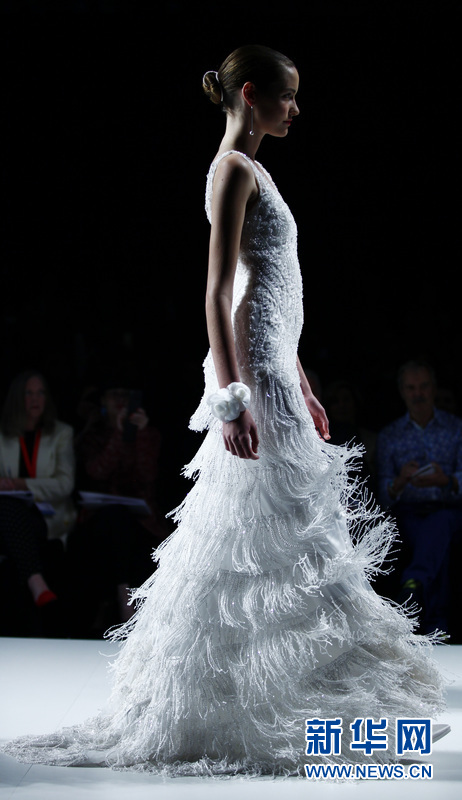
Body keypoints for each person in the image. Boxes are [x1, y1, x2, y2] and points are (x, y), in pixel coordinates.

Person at [3, 46, 448, 775]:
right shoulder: (233, 169)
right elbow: (219, 292)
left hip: (275, 366)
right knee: (264, 522)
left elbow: (270, 289)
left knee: (289, 526)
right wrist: (232, 399)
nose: (295, 109)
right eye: (287, 95)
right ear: (250, 94)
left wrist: (301, 379)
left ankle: (299, 677)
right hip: (253, 375)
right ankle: (257, 689)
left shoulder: (253, 169)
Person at [67, 381, 167, 634]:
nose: (121, 401)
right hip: (101, 519)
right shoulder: (93, 436)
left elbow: (147, 475)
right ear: (103, 400)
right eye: (114, 395)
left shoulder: (149, 434)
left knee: (126, 527)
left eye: (126, 394)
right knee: (115, 520)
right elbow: (97, 471)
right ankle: (122, 598)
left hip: (142, 521)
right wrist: (119, 435)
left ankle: (127, 602)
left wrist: (139, 434)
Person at [376, 359, 462, 634]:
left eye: (423, 386)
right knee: (434, 539)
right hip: (408, 512)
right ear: (402, 392)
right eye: (411, 388)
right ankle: (437, 625)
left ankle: (414, 582)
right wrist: (400, 481)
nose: (418, 394)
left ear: (434, 388)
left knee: (440, 523)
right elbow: (382, 492)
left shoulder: (456, 428)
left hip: (448, 508)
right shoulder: (390, 435)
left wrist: (446, 480)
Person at [0, 370, 76, 619]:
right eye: (29, 393)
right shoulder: (3, 434)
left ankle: (35, 583)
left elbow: (64, 484)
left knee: (7, 510)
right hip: (9, 515)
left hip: (47, 516)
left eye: (40, 393)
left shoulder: (61, 433)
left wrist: (20, 484)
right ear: (17, 398)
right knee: (8, 508)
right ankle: (35, 582)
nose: (35, 399)